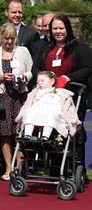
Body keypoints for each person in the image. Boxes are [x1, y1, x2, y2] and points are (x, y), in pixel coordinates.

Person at [37, 14, 92, 166]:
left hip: (73, 97)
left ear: (67, 28)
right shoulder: (46, 48)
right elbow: (37, 68)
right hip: (51, 98)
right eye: (55, 28)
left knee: (74, 131)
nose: (58, 31)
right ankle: (56, 166)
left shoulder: (80, 48)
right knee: (54, 129)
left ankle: (75, 167)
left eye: (61, 28)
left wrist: (68, 78)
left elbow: (88, 67)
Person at [0, 22, 33, 181]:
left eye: (12, 39)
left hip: (19, 96)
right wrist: (0, 78)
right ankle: (8, 167)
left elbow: (31, 71)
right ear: (1, 37)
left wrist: (24, 78)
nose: (9, 42)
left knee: (19, 133)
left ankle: (19, 168)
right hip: (2, 97)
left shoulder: (23, 51)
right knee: (5, 133)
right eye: (6, 39)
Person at [16, 71, 81, 141]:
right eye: (38, 82)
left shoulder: (59, 91)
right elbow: (29, 103)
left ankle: (45, 136)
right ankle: (27, 135)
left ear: (52, 81)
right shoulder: (36, 92)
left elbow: (65, 104)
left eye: (42, 81)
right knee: (29, 113)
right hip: (38, 110)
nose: (39, 83)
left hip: (52, 111)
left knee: (50, 115)